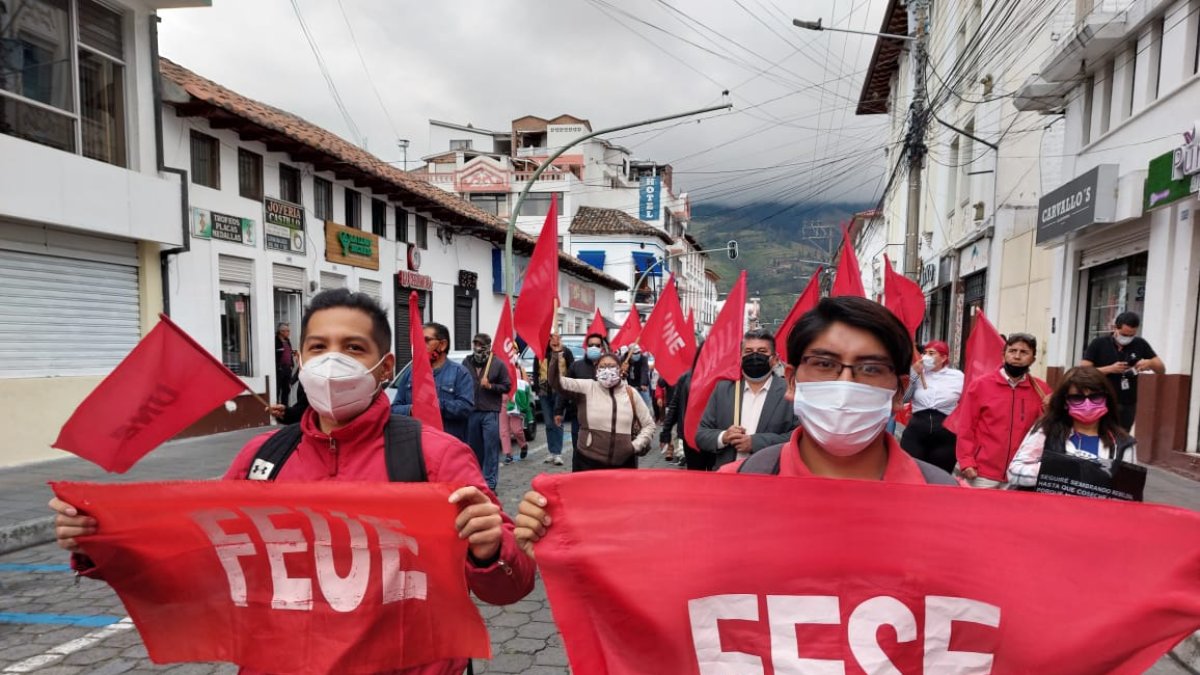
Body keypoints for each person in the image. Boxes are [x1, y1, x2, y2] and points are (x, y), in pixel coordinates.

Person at [51, 289, 535, 675]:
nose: (332, 361)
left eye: (352, 348)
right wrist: (104, 540)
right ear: (300, 360)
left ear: (385, 367)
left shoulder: (435, 456)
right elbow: (196, 557)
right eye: (318, 348)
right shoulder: (261, 459)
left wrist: (489, 551)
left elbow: (509, 587)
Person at [515, 297, 958, 557]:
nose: (844, 384)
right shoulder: (734, 487)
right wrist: (567, 525)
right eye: (824, 364)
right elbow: (655, 563)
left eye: (868, 369)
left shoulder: (949, 503)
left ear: (900, 391)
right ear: (794, 379)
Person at [1008, 366, 1136, 488]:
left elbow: (1128, 491)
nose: (1087, 404)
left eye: (1095, 397)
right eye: (1077, 398)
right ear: (1065, 402)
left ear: (1106, 399)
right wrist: (1061, 470)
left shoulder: (1123, 444)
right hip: (1052, 509)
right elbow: (1014, 472)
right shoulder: (1047, 430)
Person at [953, 333, 1050, 489]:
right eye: (1012, 351)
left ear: (1033, 358)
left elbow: (1046, 430)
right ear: (1003, 355)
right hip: (981, 473)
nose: (1017, 356)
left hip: (1019, 474)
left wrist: (1052, 408)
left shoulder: (1041, 390)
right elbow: (966, 427)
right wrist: (966, 461)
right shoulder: (981, 385)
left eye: (1024, 352)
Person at [694, 328, 799, 470]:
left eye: (762, 351)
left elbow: (799, 438)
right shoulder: (723, 389)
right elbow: (701, 435)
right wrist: (724, 436)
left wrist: (756, 442)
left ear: (774, 359)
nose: (755, 356)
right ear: (740, 357)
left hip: (770, 477)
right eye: (749, 352)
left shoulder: (790, 391)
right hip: (727, 476)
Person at [548, 347, 655, 472]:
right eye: (603, 367)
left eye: (611, 366)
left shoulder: (631, 393)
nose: (607, 370)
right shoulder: (587, 388)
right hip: (587, 463)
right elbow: (557, 382)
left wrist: (635, 446)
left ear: (620, 369)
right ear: (596, 370)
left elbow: (649, 425)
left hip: (624, 464)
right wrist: (556, 355)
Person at [390, 322, 475, 443]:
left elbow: (466, 408)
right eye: (418, 340)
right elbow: (394, 408)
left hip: (447, 446)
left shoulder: (460, 373)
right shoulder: (410, 373)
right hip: (415, 444)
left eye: (426, 340)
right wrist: (412, 409)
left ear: (442, 345)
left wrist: (434, 405)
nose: (419, 345)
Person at [1080, 311, 1164, 431]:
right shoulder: (1099, 344)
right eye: (1124, 334)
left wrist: (1150, 363)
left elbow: (1161, 369)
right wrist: (1110, 369)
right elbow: (1084, 372)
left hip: (1128, 402)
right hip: (1102, 399)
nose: (1128, 338)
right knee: (1103, 434)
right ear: (1116, 328)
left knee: (1123, 436)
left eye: (1131, 335)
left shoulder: (1140, 343)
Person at [899, 340, 963, 473]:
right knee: (911, 471)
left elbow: (967, 401)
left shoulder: (957, 377)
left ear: (944, 357)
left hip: (945, 431)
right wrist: (913, 375)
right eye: (925, 353)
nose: (926, 356)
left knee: (940, 475)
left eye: (931, 353)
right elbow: (904, 398)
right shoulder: (917, 374)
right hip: (917, 429)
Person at [463, 333, 510, 491]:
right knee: (474, 449)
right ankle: (476, 481)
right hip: (471, 411)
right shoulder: (466, 362)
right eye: (475, 344)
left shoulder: (497, 364)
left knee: (491, 448)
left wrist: (490, 386)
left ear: (488, 347)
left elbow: (506, 386)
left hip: (490, 411)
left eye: (480, 345)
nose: (477, 348)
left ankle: (489, 484)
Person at [553, 332, 608, 454]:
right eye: (591, 345)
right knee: (578, 451)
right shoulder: (576, 366)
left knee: (599, 454)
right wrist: (558, 411)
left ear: (602, 348)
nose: (594, 348)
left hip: (603, 418)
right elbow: (564, 388)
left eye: (597, 345)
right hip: (579, 417)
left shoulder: (608, 367)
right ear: (586, 347)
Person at [660, 343, 704, 469]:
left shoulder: (723, 378)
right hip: (690, 435)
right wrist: (666, 432)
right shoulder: (686, 378)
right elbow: (674, 406)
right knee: (695, 473)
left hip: (715, 437)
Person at [535, 336, 573, 466]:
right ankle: (551, 451)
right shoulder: (540, 353)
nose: (554, 341)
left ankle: (558, 453)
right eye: (551, 338)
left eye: (557, 338)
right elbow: (536, 371)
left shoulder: (566, 352)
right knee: (548, 423)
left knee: (558, 422)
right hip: (544, 392)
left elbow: (571, 370)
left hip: (560, 392)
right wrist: (536, 388)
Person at [500, 370, 533, 464]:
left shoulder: (518, 369)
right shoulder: (497, 367)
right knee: (503, 430)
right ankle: (508, 454)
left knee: (516, 430)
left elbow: (526, 384)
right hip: (502, 401)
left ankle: (523, 445)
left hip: (515, 402)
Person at [274, 322, 296, 406]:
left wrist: (291, 365)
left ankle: (285, 408)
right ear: (281, 332)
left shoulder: (287, 341)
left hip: (287, 369)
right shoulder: (276, 341)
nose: (289, 333)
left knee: (286, 389)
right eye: (287, 331)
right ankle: (277, 407)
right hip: (280, 369)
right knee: (278, 389)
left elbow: (289, 353)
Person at [625, 345, 652, 411]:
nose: (637, 354)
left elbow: (644, 371)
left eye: (638, 352)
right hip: (629, 386)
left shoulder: (643, 359)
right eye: (635, 353)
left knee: (647, 406)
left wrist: (643, 383)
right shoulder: (625, 359)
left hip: (642, 386)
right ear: (630, 353)